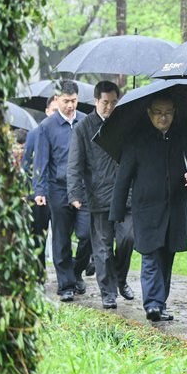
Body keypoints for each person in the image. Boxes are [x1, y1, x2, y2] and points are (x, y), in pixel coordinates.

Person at [110, 95, 187, 321]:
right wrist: (117, 212)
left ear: (174, 112)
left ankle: (161, 303)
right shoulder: (136, 140)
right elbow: (123, 178)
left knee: (167, 256)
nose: (163, 117)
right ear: (149, 113)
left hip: (174, 208)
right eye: (158, 112)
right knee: (150, 255)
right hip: (146, 210)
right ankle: (152, 304)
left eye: (168, 112)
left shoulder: (182, 138)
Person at [67, 80, 135, 309]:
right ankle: (108, 292)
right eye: (105, 102)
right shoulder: (83, 128)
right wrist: (75, 194)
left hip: (126, 194)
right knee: (103, 247)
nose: (109, 107)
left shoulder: (125, 123)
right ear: (96, 101)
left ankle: (120, 279)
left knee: (128, 239)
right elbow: (74, 164)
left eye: (114, 102)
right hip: (98, 196)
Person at [33, 81, 92, 302]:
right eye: (66, 101)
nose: (70, 105)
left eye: (73, 101)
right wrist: (40, 190)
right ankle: (66, 285)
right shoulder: (47, 127)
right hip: (58, 189)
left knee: (87, 234)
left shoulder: (85, 122)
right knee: (61, 237)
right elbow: (41, 161)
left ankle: (75, 272)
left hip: (83, 188)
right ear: (57, 100)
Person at [21, 95, 57, 275]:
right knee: (39, 236)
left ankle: (67, 275)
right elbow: (25, 164)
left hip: (60, 192)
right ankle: (39, 274)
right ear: (47, 111)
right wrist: (28, 191)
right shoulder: (34, 134)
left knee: (62, 237)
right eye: (54, 111)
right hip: (39, 194)